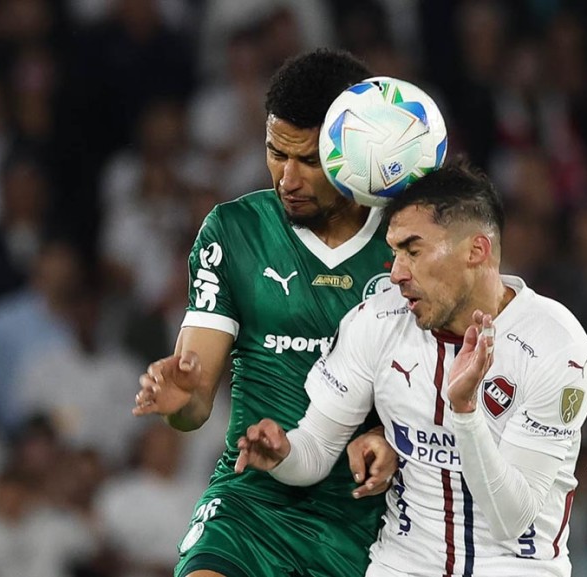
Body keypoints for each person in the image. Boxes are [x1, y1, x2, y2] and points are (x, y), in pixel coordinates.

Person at [235, 163, 587, 576]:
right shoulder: (376, 321)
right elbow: (316, 449)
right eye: (394, 252)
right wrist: (284, 455)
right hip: (402, 565)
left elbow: (511, 519)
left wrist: (465, 414)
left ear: (476, 251)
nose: (396, 274)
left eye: (413, 251)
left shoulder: (556, 346)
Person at [131, 48, 398, 577]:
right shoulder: (235, 232)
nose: (287, 179)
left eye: (310, 161)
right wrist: (182, 399)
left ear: (358, 150)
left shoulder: (407, 242)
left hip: (369, 517)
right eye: (276, 153)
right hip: (252, 502)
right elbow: (194, 403)